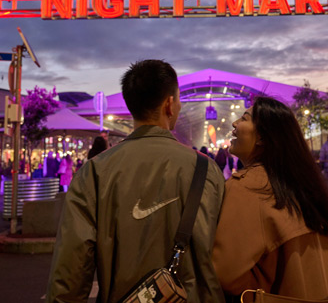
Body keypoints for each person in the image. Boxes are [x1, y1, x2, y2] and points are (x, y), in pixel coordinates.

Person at [47, 60, 225, 303]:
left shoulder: (95, 172)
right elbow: (224, 254)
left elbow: (71, 270)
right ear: (170, 104)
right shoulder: (206, 170)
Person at [212, 97, 328, 302]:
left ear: (262, 136)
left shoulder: (246, 186)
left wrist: (259, 286)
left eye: (244, 118)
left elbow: (224, 272)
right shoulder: (304, 182)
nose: (234, 124)